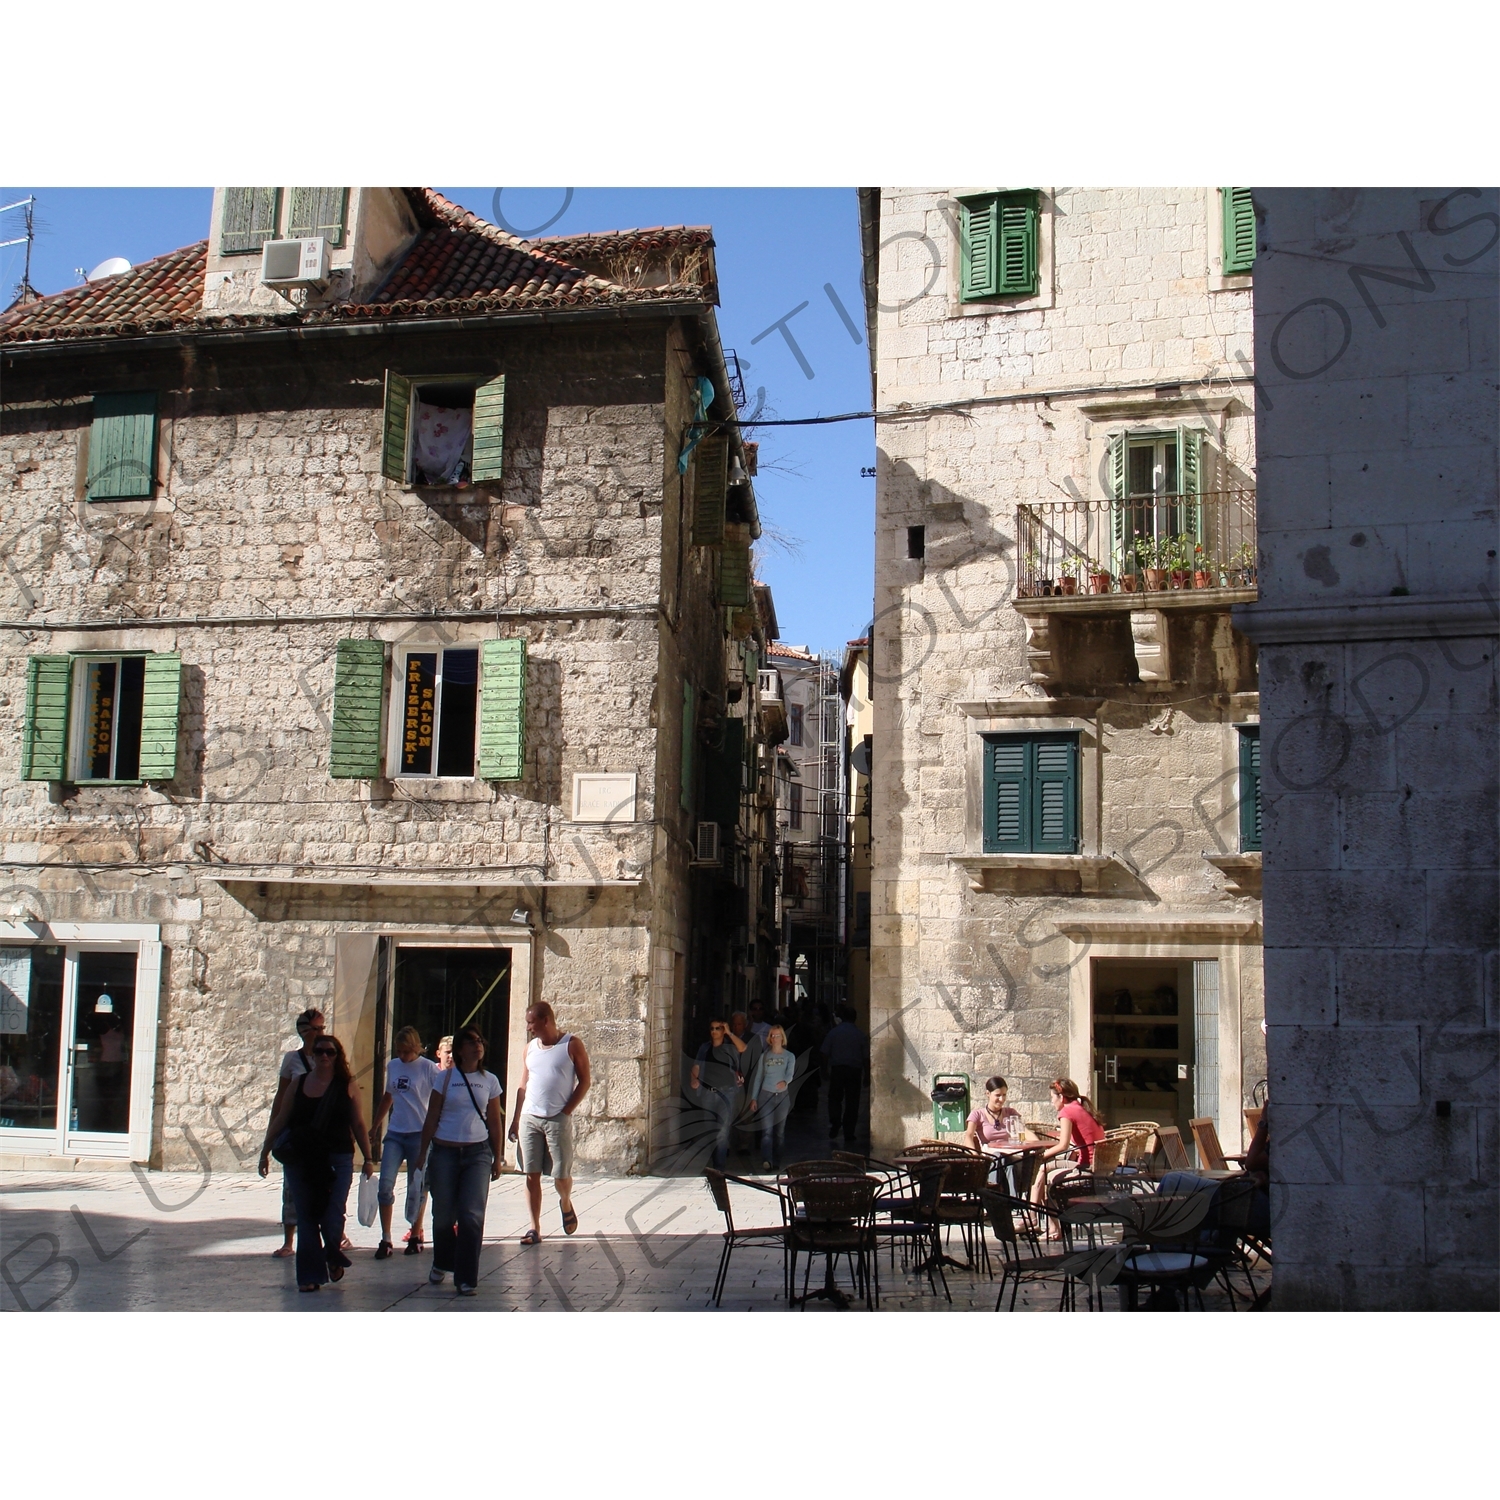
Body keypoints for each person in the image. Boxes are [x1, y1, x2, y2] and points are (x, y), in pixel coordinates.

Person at [259, 1033, 374, 1293]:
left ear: (337, 1056)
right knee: (307, 1216)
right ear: (312, 1055)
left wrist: (368, 1158)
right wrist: (265, 1149)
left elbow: (357, 1123)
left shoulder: (346, 1085)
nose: (324, 1056)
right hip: (302, 1158)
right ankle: (309, 1275)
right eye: (319, 1051)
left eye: (329, 1052)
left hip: (338, 1158)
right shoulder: (298, 1084)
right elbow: (281, 1117)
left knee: (333, 1214)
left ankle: (333, 1254)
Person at [416, 1026, 504, 1295]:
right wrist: (422, 1152)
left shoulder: (489, 1080)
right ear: (460, 1050)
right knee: (443, 1215)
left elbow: (494, 1120)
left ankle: (466, 1278)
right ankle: (443, 1260)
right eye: (471, 1042)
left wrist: (497, 1156)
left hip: (477, 1153)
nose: (477, 1046)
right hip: (445, 1152)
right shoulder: (445, 1079)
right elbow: (432, 1114)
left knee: (471, 1215)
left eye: (480, 1041)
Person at [509, 1002, 591, 1245]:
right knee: (531, 1174)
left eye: (531, 1022)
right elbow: (523, 1085)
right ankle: (534, 1228)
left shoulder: (571, 1044)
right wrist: (516, 1119)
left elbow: (584, 1081)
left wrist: (566, 1111)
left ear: (545, 1020)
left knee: (560, 1174)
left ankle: (565, 1201)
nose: (528, 1028)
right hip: (530, 1118)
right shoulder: (530, 1049)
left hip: (557, 1117)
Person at [369, 1025, 439, 1259]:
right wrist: (376, 1125)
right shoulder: (393, 1066)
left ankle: (416, 1232)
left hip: (419, 1132)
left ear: (415, 1048)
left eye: (406, 1052)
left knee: (416, 1185)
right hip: (397, 1132)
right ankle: (386, 1236)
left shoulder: (428, 1068)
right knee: (385, 1184)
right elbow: (388, 1097)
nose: (402, 1056)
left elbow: (440, 1099)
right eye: (399, 1051)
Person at [260, 1008, 324, 1259]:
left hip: (322, 1131)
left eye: (322, 1028)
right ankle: (289, 1239)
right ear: (304, 1031)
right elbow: (281, 1098)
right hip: (297, 1129)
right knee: (292, 1185)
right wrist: (271, 1136)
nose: (319, 1033)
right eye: (315, 1029)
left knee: (323, 1184)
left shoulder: (329, 1054)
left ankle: (332, 1234)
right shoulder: (292, 1060)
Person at [1030, 1078, 1107, 1220]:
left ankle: (1039, 1222)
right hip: (1098, 1164)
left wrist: (1041, 1156)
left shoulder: (1067, 1112)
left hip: (1087, 1167)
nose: (1051, 1101)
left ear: (1062, 1097)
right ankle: (1034, 1218)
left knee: (1047, 1176)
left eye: (1052, 1097)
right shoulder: (1083, 1108)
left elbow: (1063, 1145)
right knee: (1044, 1169)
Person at [689, 1017, 748, 1168]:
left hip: (727, 1094)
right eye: (712, 1028)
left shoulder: (730, 1047)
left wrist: (730, 1033)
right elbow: (697, 1066)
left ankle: (719, 1168)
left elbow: (743, 1048)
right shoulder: (705, 1048)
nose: (714, 1031)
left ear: (723, 1031)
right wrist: (694, 1080)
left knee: (722, 1131)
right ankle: (713, 1163)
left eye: (718, 1028)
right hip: (708, 1093)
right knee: (711, 1131)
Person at [748, 1024, 796, 1170]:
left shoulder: (789, 1056)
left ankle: (777, 1161)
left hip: (781, 1097)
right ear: (769, 1038)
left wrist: (785, 1082)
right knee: (767, 1131)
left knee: (779, 1133)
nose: (775, 1038)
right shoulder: (764, 1056)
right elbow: (758, 1078)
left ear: (782, 1038)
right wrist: (754, 1098)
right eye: (772, 1036)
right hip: (765, 1095)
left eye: (777, 1035)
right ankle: (767, 1160)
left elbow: (790, 1074)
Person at [821, 1004, 868, 1142]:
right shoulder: (859, 1035)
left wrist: (824, 1070)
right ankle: (849, 1131)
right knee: (852, 1102)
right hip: (854, 1071)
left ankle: (835, 1121)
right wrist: (866, 1075)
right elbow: (865, 1056)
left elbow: (824, 1053)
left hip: (838, 1070)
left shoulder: (834, 1033)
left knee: (835, 1098)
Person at [964, 1076, 1025, 1152]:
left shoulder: (1011, 1113)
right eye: (998, 1095)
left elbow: (1023, 1132)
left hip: (1011, 1152)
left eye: (1004, 1095)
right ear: (988, 1093)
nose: (1001, 1099)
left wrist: (1037, 1145)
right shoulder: (977, 1114)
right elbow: (968, 1136)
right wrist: (974, 1154)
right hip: (991, 1155)